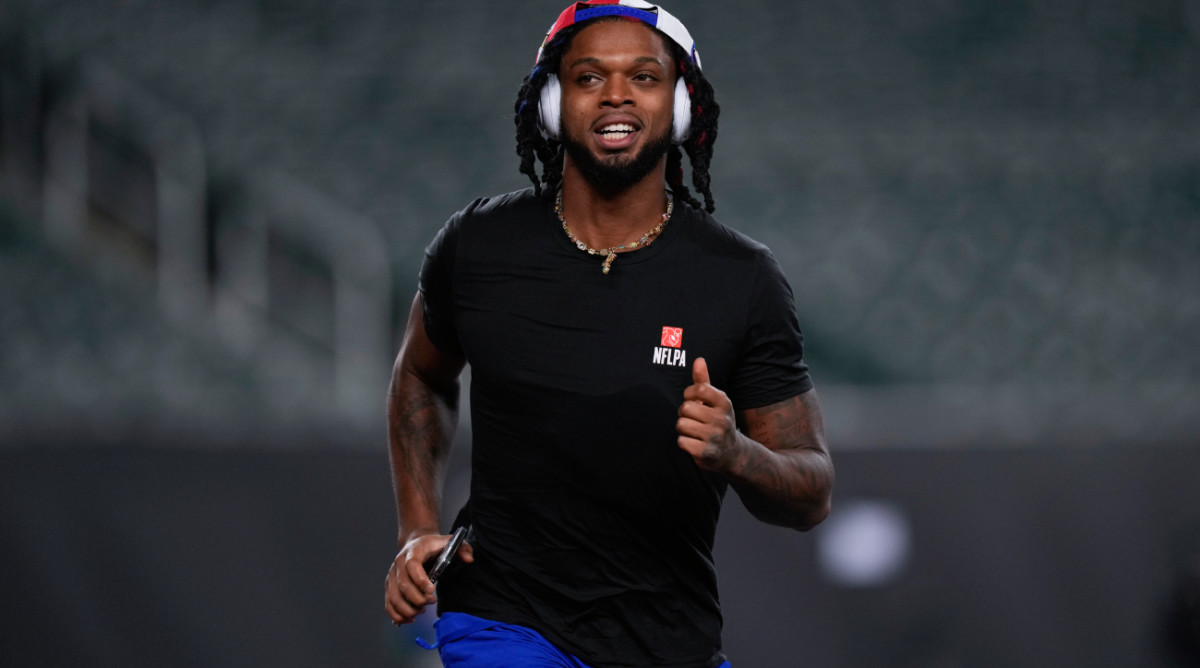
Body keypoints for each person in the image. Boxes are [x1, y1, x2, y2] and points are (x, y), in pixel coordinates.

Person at [383, 2, 833, 666]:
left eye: (643, 77)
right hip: (502, 620)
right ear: (551, 103)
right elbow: (421, 372)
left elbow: (812, 493)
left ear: (681, 106)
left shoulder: (741, 279)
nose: (616, 94)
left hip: (669, 638)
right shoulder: (477, 246)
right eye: (590, 77)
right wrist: (417, 527)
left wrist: (737, 453)